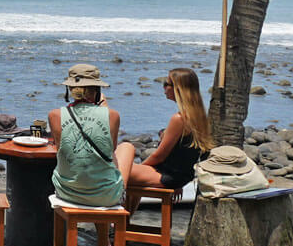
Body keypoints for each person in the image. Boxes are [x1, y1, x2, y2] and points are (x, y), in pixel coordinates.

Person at [115, 68, 213, 211]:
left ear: (178, 89)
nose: (164, 88)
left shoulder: (179, 119)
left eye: (166, 84)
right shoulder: (199, 117)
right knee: (129, 172)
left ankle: (115, 223)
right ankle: (122, 225)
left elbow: (159, 155)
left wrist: (143, 166)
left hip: (167, 175)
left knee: (117, 171)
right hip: (179, 176)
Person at [48, 63, 130, 207]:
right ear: (97, 89)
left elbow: (60, 147)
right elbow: (110, 151)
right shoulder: (112, 115)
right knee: (127, 148)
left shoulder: (55, 115)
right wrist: (103, 106)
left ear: (70, 89)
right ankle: (109, 226)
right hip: (107, 197)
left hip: (67, 193)